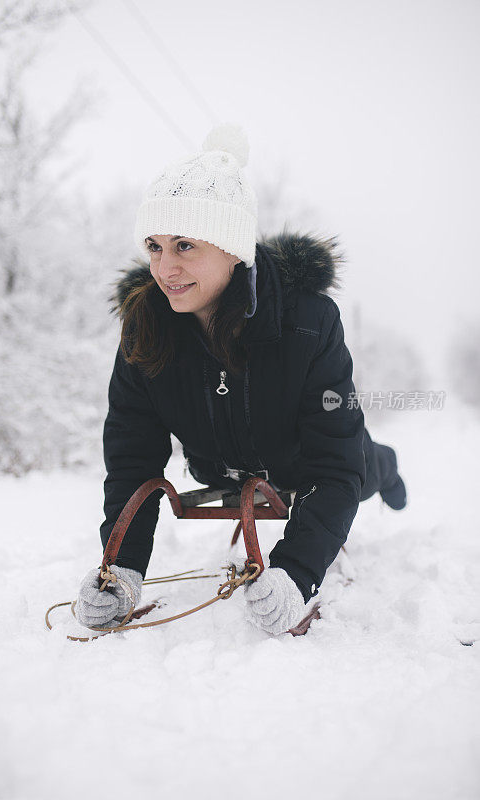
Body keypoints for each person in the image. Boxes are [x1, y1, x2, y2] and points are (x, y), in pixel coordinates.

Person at [75, 123, 407, 636]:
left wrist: (295, 573)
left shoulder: (309, 322)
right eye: (155, 246)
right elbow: (131, 460)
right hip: (222, 468)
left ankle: (389, 465)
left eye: (185, 245)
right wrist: (120, 570)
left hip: (305, 463)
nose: (165, 268)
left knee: (363, 461)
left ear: (233, 249)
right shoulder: (146, 328)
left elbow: (335, 467)